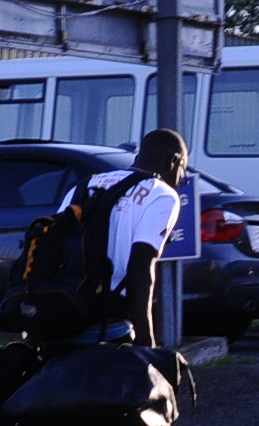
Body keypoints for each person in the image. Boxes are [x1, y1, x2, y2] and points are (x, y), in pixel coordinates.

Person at [61, 128, 188, 345]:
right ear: (173, 162)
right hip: (106, 321)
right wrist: (145, 339)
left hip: (60, 310)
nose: (180, 179)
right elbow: (140, 266)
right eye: (183, 169)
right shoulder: (162, 195)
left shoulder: (83, 186)